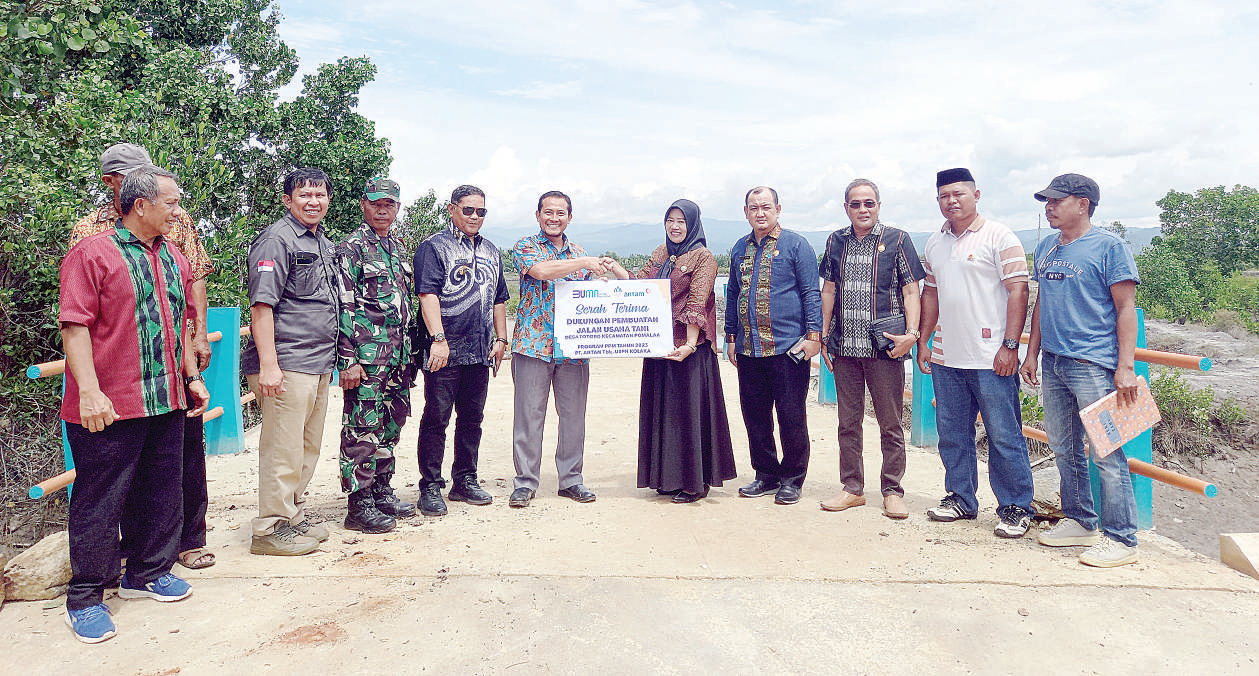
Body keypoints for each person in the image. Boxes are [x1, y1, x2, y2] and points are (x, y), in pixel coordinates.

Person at [59, 166, 210, 643]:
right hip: (108, 404)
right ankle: (86, 595)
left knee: (163, 491)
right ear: (140, 205)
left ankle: (146, 573)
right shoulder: (92, 254)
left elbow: (181, 323)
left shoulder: (174, 258)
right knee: (100, 502)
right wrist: (88, 390)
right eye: (170, 202)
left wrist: (191, 376)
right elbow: (74, 325)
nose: (177, 210)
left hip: (164, 398)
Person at [1020, 173, 1142, 567]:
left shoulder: (1110, 247)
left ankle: (1121, 538)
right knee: (1063, 447)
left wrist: (1125, 367)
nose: (1049, 207)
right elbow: (1042, 304)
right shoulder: (1046, 248)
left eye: (1057, 200)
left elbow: (1126, 310)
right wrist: (1031, 353)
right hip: (1054, 362)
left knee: (1106, 452)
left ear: (1083, 203)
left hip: (1094, 364)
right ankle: (1080, 520)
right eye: (1047, 201)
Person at [917, 168, 1036, 538]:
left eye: (958, 194)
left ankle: (1016, 506)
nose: (951, 201)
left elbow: (1019, 291)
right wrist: (923, 339)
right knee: (952, 433)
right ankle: (960, 498)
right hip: (946, 356)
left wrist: (1011, 346)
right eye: (943, 196)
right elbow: (931, 293)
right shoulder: (934, 243)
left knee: (1004, 434)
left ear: (976, 194)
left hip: (991, 357)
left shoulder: (999, 236)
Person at [606, 199, 737, 503]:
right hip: (658, 343)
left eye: (681, 221)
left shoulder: (704, 257)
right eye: (670, 221)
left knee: (688, 414)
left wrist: (690, 344)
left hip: (689, 349)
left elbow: (698, 300)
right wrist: (615, 270)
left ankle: (694, 483)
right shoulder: (662, 252)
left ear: (693, 224)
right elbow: (641, 284)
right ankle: (666, 479)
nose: (675, 227)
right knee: (664, 412)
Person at [241, 168, 339, 556]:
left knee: (306, 446)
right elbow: (261, 306)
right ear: (287, 200)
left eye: (320, 194)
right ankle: (268, 528)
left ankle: (292, 515)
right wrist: (268, 365)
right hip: (287, 361)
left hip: (316, 362)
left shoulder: (322, 243)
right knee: (282, 449)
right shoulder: (275, 241)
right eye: (304, 195)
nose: (313, 201)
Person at [818, 179, 925, 519]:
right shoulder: (836, 241)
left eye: (869, 203)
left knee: (890, 423)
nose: (862, 210)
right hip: (845, 349)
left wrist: (912, 333)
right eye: (855, 204)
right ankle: (852, 488)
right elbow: (829, 290)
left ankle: (892, 490)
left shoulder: (897, 239)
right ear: (846, 207)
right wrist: (823, 335)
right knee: (848, 423)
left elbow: (911, 291)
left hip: (884, 349)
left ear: (878, 205)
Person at [413, 185, 510, 516]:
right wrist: (438, 339)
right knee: (436, 416)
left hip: (480, 350)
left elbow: (499, 298)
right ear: (452, 209)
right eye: (468, 210)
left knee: (472, 417)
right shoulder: (434, 247)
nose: (474, 217)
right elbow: (428, 295)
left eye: (481, 212)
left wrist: (501, 339)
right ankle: (430, 486)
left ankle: (465, 480)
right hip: (445, 349)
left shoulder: (492, 251)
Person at [508, 190, 609, 507]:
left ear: (569, 217)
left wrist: (604, 281)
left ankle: (571, 479)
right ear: (538, 215)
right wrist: (583, 263)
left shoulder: (579, 251)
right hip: (533, 345)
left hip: (573, 348)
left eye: (561, 213)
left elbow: (588, 294)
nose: (554, 218)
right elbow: (541, 271)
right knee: (528, 416)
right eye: (548, 212)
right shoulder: (526, 246)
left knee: (573, 417)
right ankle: (525, 482)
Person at [725, 186, 823, 505]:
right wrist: (729, 336)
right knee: (755, 415)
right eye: (753, 208)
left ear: (778, 209)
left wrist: (814, 336)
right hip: (749, 348)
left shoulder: (797, 245)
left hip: (788, 348)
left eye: (766, 207)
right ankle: (765, 474)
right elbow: (732, 294)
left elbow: (811, 292)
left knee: (791, 415)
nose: (760, 213)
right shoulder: (740, 248)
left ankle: (792, 479)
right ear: (746, 212)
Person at [336, 176, 417, 534]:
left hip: (397, 357)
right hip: (367, 359)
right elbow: (343, 305)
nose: (382, 209)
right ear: (364, 205)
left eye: (389, 204)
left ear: (397, 208)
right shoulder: (351, 248)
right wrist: (348, 359)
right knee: (361, 430)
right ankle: (359, 504)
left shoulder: (397, 246)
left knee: (391, 424)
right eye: (375, 203)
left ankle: (382, 491)